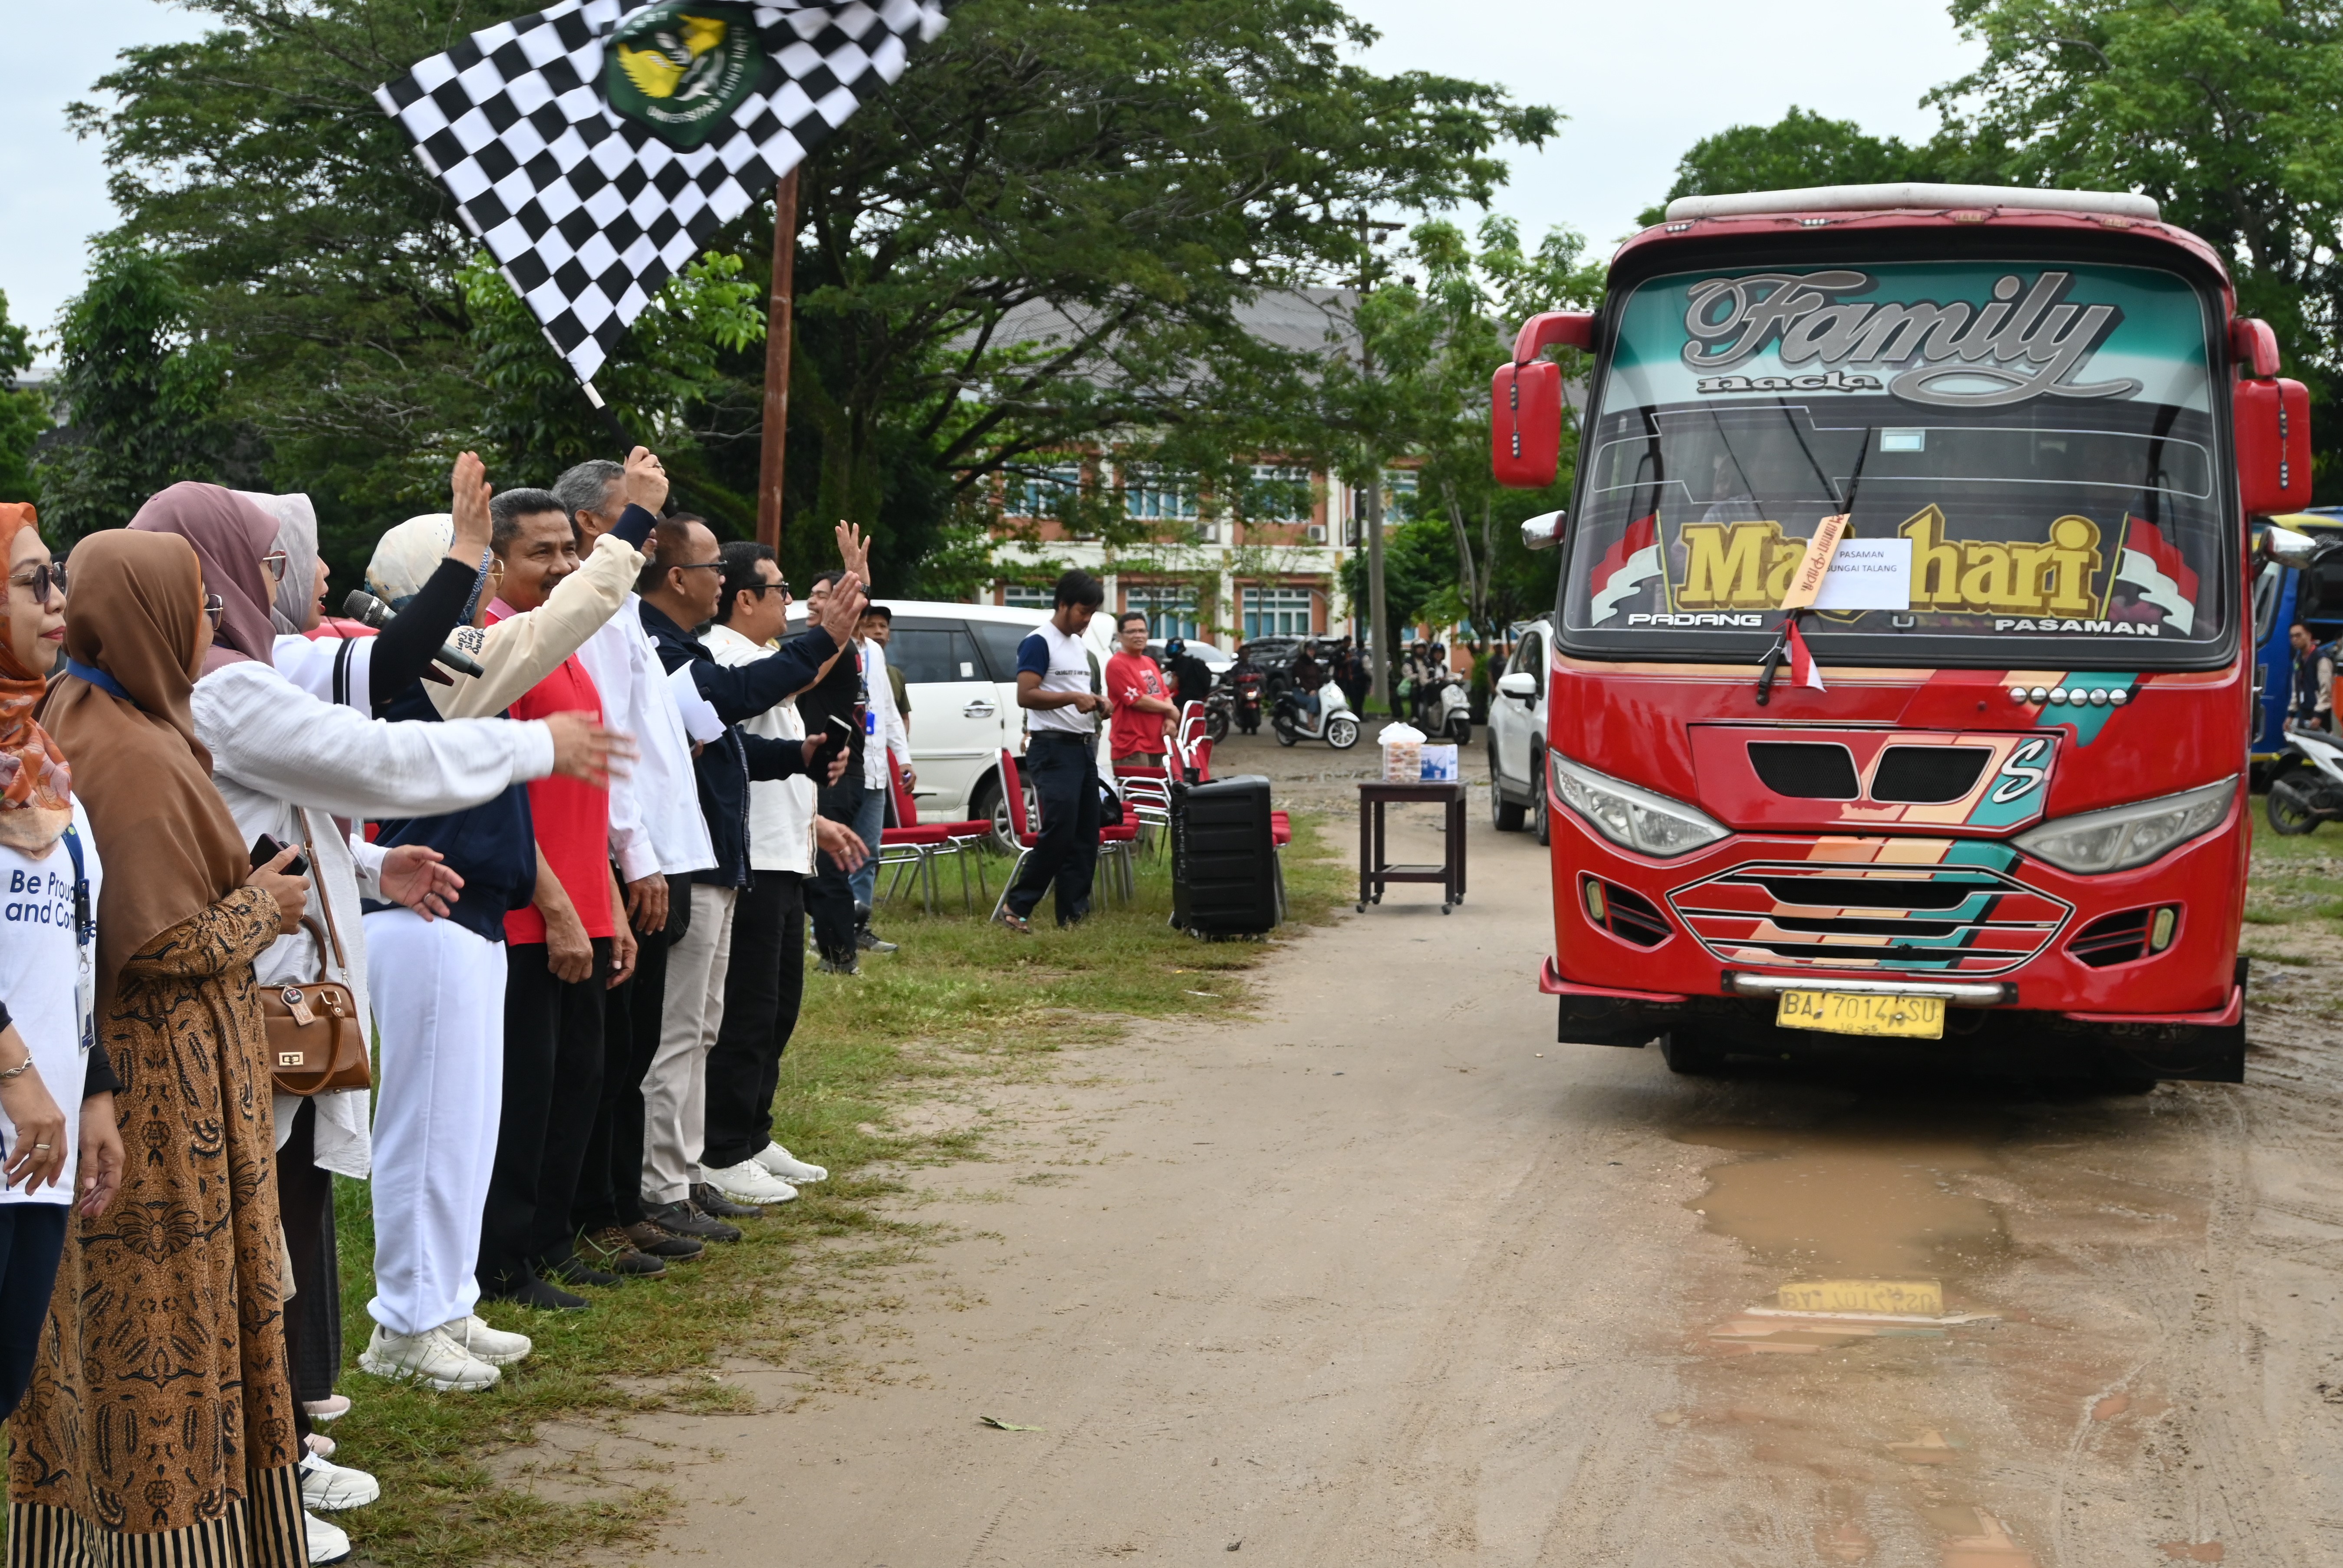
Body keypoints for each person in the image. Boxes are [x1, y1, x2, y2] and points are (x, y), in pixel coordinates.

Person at [12, 528, 315, 1567]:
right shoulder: (128, 750)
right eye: (194, 608)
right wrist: (261, 910)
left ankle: (86, 1538)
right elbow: (149, 944)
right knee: (163, 1341)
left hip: (134, 1085)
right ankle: (167, 1542)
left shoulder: (87, 719)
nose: (213, 625)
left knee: (99, 1337)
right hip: (149, 1100)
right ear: (144, 616)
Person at [356, 452, 648, 1392]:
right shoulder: (425, 666)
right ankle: (404, 1322)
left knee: (465, 1136)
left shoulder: (450, 655)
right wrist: (632, 530)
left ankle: (442, 1305)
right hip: (429, 909)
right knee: (427, 1134)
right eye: (466, 576)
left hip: (471, 912)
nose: (481, 595)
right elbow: (553, 629)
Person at [635, 514, 859, 1236]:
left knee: (715, 1022)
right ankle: (676, 1176)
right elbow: (733, 700)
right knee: (703, 1026)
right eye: (715, 572)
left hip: (729, 854)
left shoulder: (686, 649)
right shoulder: (691, 650)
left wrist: (796, 760)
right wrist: (829, 632)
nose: (723, 583)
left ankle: (696, 1165)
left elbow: (722, 742)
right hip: (695, 857)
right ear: (679, 578)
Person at [474, 487, 641, 1307]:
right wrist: (561, 908)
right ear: (497, 561)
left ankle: (549, 1240)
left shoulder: (564, 645)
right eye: (542, 553)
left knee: (580, 1080)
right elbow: (502, 796)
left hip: (581, 905)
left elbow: (585, 794)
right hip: (528, 912)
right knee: (527, 1094)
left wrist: (603, 897)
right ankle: (503, 1260)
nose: (562, 567)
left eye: (569, 551)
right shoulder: (500, 648)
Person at [552, 457, 717, 1277]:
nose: (651, 530)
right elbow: (607, 746)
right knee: (613, 1052)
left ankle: (625, 1203)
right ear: (593, 524)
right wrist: (637, 855)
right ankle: (601, 1210)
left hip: (659, 846)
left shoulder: (621, 612)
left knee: (636, 1045)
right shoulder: (593, 607)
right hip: (630, 854)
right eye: (635, 513)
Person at [0, 503, 122, 1429]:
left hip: (36, 1151)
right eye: (29, 579)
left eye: (58, 577)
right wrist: (15, 1072)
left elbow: (74, 950)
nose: (56, 598)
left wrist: (92, 1091)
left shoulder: (48, 777)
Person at [698, 542, 865, 1206]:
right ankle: (722, 1148)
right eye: (778, 588)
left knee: (777, 1007)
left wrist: (815, 824)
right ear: (745, 598)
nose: (789, 601)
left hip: (783, 850)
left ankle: (754, 1132)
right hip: (751, 856)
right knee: (745, 1011)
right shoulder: (725, 654)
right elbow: (802, 676)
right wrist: (844, 612)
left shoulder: (763, 658)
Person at [998, 569, 1105, 934]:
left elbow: (1078, 696)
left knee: (1086, 834)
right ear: (1062, 604)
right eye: (1082, 611)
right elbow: (1026, 694)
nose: (1086, 619)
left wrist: (1097, 702)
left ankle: (1073, 915)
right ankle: (1017, 905)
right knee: (1059, 831)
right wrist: (1073, 697)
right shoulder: (1039, 642)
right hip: (1052, 748)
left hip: (1081, 748)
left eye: (1092, 613)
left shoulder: (1079, 646)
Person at [796, 569, 870, 974]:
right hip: (820, 771)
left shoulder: (836, 651)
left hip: (838, 774)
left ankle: (842, 958)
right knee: (811, 867)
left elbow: (793, 677)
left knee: (826, 869)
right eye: (811, 593)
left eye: (823, 596)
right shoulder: (829, 647)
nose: (812, 601)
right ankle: (847, 916)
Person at [852, 601, 914, 956]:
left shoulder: (875, 652)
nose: (873, 626)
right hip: (843, 770)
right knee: (837, 856)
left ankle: (859, 926)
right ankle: (825, 930)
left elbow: (888, 711)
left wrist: (903, 759)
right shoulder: (835, 646)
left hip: (875, 769)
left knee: (868, 852)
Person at [1107, 611, 1175, 765]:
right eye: (1131, 632)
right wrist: (1170, 710)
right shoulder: (1117, 664)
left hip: (1160, 742)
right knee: (1138, 790)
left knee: (1162, 789)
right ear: (1120, 637)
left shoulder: (1149, 661)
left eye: (1142, 631)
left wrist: (1170, 719)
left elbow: (1164, 693)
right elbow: (1137, 700)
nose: (1138, 635)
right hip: (1133, 747)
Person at [2289, 621, 2333, 731]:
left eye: (2298, 635)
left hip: (2321, 716)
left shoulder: (2321, 659)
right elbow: (2297, 688)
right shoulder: (2298, 659)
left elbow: (2326, 689)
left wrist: (2319, 714)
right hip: (2305, 713)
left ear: (2309, 636)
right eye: (2292, 636)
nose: (2295, 639)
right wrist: (2291, 714)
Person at [1164, 636, 1211, 712]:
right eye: (1170, 648)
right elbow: (1160, 671)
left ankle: (1179, 723)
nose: (1171, 650)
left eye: (1173, 648)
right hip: (1185, 690)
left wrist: (1162, 692)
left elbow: (1174, 685)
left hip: (1193, 692)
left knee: (1171, 706)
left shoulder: (1184, 663)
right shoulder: (1176, 661)